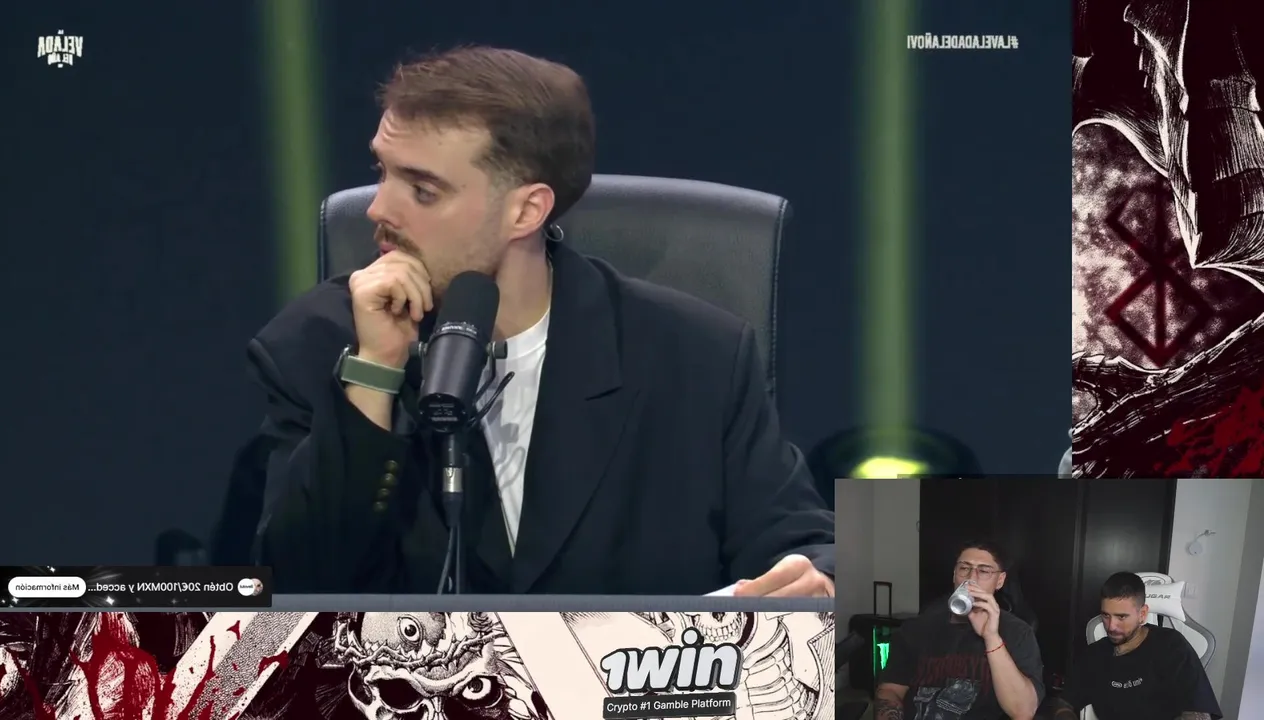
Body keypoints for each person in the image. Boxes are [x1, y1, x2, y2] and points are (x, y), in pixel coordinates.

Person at [244, 46, 836, 596]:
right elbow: (289, 596)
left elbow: (806, 547)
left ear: (527, 210)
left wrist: (819, 582)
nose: (378, 208)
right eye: (383, 171)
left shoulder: (695, 358)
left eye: (422, 190)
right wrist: (376, 373)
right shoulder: (321, 341)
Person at [875, 541, 1043, 720]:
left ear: (999, 581)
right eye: (964, 568)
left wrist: (991, 637)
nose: (971, 578)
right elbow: (890, 690)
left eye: (984, 571)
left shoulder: (1018, 632)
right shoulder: (916, 628)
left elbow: (1022, 711)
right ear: (955, 575)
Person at [1049, 572, 1222, 720]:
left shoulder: (1171, 646)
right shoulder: (1095, 655)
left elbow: (1198, 713)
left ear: (1142, 614)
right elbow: (1063, 703)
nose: (1111, 626)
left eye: (1121, 617)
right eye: (1106, 615)